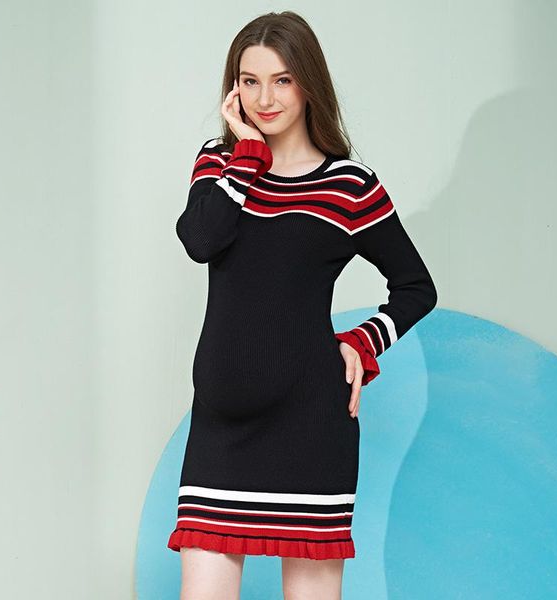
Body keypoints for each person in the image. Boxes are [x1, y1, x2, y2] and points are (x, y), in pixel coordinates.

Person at [168, 10, 437, 600]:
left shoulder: (350, 185)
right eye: (250, 81)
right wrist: (248, 155)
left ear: (309, 83)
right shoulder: (218, 163)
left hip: (310, 428)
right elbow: (201, 240)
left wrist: (363, 342)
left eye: (282, 80)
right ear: (234, 89)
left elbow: (417, 286)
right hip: (219, 430)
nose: (265, 98)